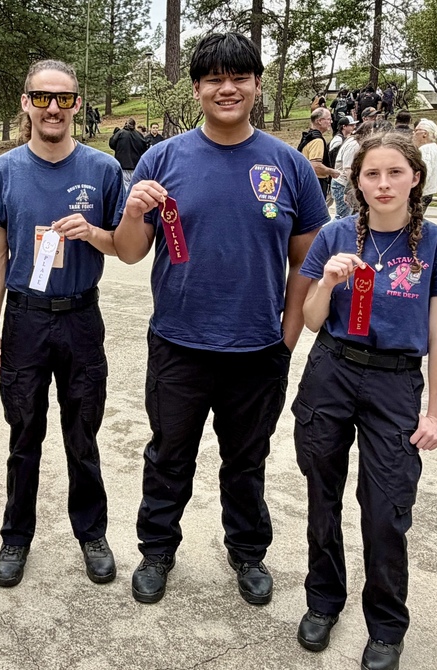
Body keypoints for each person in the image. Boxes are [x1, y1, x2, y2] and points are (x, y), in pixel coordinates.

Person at [114, 32, 329, 606]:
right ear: (197, 89)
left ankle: (248, 552)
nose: (227, 88)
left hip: (257, 350)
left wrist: (286, 337)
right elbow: (131, 251)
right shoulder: (162, 158)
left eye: (239, 78)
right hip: (179, 343)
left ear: (257, 86)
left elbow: (306, 263)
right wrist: (135, 211)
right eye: (214, 78)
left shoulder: (289, 165)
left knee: (246, 460)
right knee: (168, 454)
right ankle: (157, 550)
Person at [292, 131, 437, 670]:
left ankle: (387, 625)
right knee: (322, 492)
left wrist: (436, 413)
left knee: (387, 507)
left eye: (395, 172)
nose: (384, 183)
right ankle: (323, 600)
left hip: (395, 384)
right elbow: (311, 320)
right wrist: (325, 282)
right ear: (357, 182)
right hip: (332, 370)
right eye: (372, 174)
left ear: (415, 178)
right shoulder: (335, 235)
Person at [0, 60, 124, 588]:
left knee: (82, 433)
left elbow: (127, 248)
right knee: (24, 434)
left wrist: (93, 234)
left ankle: (92, 533)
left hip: (82, 316)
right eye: (42, 98)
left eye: (64, 98)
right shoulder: (3, 171)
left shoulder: (104, 170)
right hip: (25, 320)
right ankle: (16, 538)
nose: (54, 108)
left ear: (78, 105)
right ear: (26, 104)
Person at [298, 107, 339, 198]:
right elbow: (315, 166)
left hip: (305, 183)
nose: (331, 122)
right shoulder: (317, 140)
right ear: (319, 121)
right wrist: (332, 171)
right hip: (316, 184)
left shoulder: (308, 137)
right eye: (328, 119)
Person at [329, 116, 357, 219]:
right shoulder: (338, 140)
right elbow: (333, 159)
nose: (354, 126)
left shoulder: (347, 139)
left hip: (339, 179)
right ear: (344, 127)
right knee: (341, 216)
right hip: (339, 180)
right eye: (351, 125)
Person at [109, 118, 148, 190]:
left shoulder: (120, 133)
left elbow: (112, 143)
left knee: (124, 187)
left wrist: (119, 149)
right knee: (135, 186)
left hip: (122, 164)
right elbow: (144, 148)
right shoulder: (139, 135)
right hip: (136, 165)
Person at [413, 119, 437, 212]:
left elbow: (425, 173)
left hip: (422, 193)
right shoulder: (433, 147)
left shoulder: (426, 150)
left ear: (424, 134)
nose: (413, 133)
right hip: (427, 193)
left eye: (416, 131)